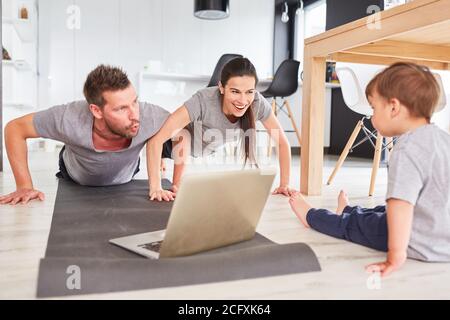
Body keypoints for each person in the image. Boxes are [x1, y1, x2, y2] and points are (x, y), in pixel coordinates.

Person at [289, 62, 450, 277]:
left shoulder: (407, 149)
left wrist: (396, 254)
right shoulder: (443, 139)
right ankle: (348, 209)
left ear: (393, 107)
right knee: (382, 211)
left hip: (419, 241)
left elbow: (401, 205)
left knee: (353, 225)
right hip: (443, 239)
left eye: (374, 108)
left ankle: (311, 215)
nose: (372, 116)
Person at [0, 65, 171, 205]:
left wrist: (165, 163)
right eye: (121, 108)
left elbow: (183, 129)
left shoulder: (149, 114)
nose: (135, 115)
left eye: (135, 102)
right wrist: (24, 186)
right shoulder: (68, 117)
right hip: (76, 174)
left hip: (126, 171)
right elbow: (14, 128)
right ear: (96, 111)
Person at [147, 57, 296, 201]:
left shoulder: (258, 103)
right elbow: (156, 140)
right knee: (182, 133)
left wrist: (284, 184)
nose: (243, 101)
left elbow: (282, 142)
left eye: (249, 91)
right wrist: (156, 187)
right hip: (172, 143)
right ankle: (175, 182)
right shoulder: (203, 100)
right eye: (235, 91)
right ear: (221, 87)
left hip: (203, 148)